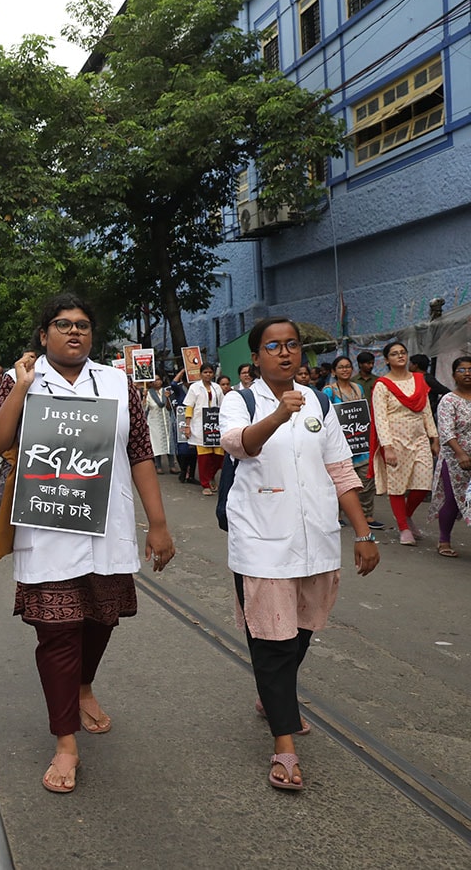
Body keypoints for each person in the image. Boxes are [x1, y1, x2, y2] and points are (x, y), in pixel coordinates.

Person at [0, 293, 174, 795]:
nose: (74, 332)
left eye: (83, 325)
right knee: (58, 633)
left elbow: (140, 452)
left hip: (106, 527)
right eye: (62, 325)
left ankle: (84, 684)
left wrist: (158, 523)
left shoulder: (117, 383)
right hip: (46, 531)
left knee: (100, 620)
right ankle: (65, 742)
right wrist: (21, 389)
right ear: (43, 336)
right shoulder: (21, 380)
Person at [219, 317, 379, 790]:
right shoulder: (239, 399)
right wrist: (275, 415)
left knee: (301, 632)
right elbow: (238, 445)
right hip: (261, 541)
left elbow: (339, 468)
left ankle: (274, 698)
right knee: (271, 641)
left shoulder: (318, 401)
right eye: (274, 346)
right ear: (257, 356)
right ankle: (284, 744)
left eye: (292, 346)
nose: (285, 353)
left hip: (316, 540)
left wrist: (364, 533)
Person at [371, 341, 439, 545]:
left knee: (424, 483)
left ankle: (405, 515)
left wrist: (434, 438)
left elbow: (426, 411)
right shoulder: (382, 385)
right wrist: (387, 447)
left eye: (403, 352)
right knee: (397, 485)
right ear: (387, 360)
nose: (400, 356)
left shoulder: (419, 380)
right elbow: (380, 418)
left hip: (419, 438)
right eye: (394, 354)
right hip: (395, 440)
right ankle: (403, 527)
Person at [322, 356, 383, 531]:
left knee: (366, 479)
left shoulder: (358, 388)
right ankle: (337, 514)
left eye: (348, 367)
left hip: (360, 443)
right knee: (338, 481)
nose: (345, 370)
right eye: (340, 367)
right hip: (339, 445)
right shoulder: (328, 391)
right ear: (334, 371)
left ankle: (367, 514)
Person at [430, 356, 471, 557]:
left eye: (470, 369)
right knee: (455, 499)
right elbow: (446, 431)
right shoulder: (448, 400)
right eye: (462, 370)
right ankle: (444, 540)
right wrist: (460, 453)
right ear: (454, 375)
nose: (467, 373)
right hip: (456, 459)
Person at [182, 363, 224, 495]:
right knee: (204, 458)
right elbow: (189, 407)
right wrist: (187, 426)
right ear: (200, 374)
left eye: (210, 372)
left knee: (218, 456)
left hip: (215, 427)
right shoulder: (194, 387)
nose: (208, 375)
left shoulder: (217, 388)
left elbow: (223, 406)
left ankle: (211, 476)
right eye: (205, 372)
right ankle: (205, 484)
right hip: (200, 426)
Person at [144, 375, 175, 474]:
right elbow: (144, 408)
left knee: (169, 442)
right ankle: (158, 466)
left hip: (166, 420)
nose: (157, 381)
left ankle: (172, 466)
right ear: (151, 382)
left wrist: (167, 398)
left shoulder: (166, 391)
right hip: (154, 422)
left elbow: (170, 408)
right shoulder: (148, 393)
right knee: (156, 444)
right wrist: (144, 397)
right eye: (155, 380)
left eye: (159, 379)